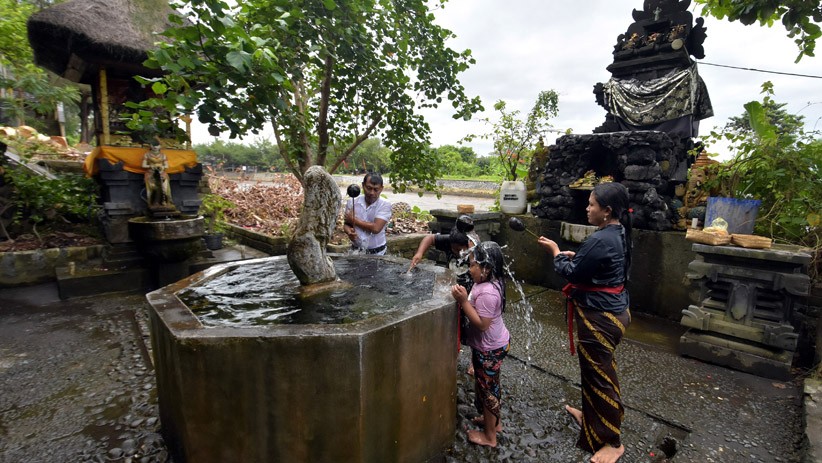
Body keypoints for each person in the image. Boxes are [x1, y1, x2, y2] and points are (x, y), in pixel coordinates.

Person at [536, 182, 633, 463]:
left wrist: (556, 252)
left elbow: (574, 275)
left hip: (601, 319)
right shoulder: (618, 232)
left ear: (607, 210)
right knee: (594, 373)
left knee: (602, 378)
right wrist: (578, 257)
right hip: (614, 311)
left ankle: (612, 442)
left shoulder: (601, 239)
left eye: (592, 204)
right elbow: (602, 266)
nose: (587, 208)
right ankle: (593, 422)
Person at [450, 241, 511, 448]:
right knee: (490, 386)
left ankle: (490, 437)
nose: (470, 268)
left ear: (486, 268)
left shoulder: (487, 293)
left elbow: (482, 324)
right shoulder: (492, 281)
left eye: (473, 265)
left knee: (487, 391)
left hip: (489, 349)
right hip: (494, 345)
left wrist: (463, 302)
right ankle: (494, 422)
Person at [409, 214, 480, 355]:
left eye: (461, 250)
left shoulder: (476, 249)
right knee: (454, 323)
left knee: (472, 326)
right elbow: (429, 238)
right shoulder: (449, 241)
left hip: (472, 293)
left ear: (468, 245)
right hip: (454, 289)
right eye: (454, 250)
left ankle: (475, 358)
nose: (458, 253)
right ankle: (453, 348)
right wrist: (419, 253)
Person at [343, 172, 392, 255]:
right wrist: (349, 232)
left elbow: (376, 228)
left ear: (381, 189)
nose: (372, 192)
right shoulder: (352, 201)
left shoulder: (385, 204)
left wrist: (353, 219)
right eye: (369, 188)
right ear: (363, 185)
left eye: (376, 189)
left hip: (377, 253)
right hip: (356, 251)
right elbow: (347, 224)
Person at [141, 142, 172, 207]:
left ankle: (166, 202)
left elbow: (166, 165)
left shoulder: (163, 155)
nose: (155, 147)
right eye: (153, 145)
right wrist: (150, 166)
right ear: (150, 145)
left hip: (161, 173)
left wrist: (162, 167)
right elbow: (143, 165)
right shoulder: (147, 154)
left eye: (157, 145)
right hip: (151, 173)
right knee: (152, 189)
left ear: (160, 146)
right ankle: (152, 203)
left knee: (165, 189)